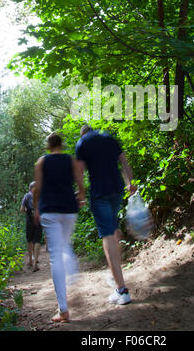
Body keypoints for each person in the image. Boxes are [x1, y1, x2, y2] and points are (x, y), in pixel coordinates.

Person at [75, 124, 136, 305]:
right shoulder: (108, 136)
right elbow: (124, 161)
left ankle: (122, 290)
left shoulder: (82, 142)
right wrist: (130, 182)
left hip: (100, 194)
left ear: (83, 133)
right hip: (116, 191)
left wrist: (81, 193)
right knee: (113, 231)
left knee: (107, 236)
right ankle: (114, 272)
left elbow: (79, 172)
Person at [33, 133, 79, 323]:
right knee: (65, 245)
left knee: (55, 255)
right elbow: (80, 181)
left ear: (48, 146)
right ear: (62, 144)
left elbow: (38, 187)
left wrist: (36, 207)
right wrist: (81, 196)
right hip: (69, 209)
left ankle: (63, 309)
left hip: (50, 211)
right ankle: (72, 271)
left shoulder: (42, 162)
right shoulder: (71, 160)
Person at [20, 181, 42, 272]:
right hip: (39, 218)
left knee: (29, 240)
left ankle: (30, 260)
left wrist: (26, 210)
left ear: (30, 188)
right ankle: (35, 262)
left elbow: (21, 209)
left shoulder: (26, 196)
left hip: (29, 219)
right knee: (37, 240)